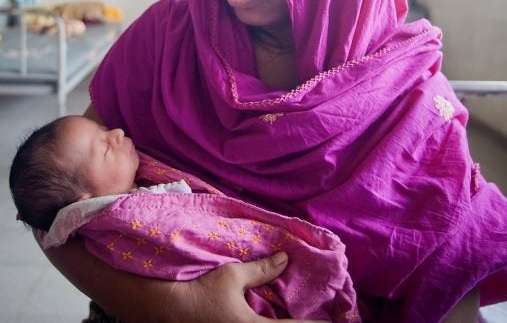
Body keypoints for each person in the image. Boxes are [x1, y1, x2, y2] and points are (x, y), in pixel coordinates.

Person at [40, 0, 507, 323]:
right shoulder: (165, 43)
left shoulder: (413, 103)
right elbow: (52, 203)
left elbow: (452, 294)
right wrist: (175, 306)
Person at [10, 115, 358, 322]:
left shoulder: (123, 189)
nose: (116, 133)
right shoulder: (120, 221)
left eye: (104, 131)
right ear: (83, 206)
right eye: (104, 146)